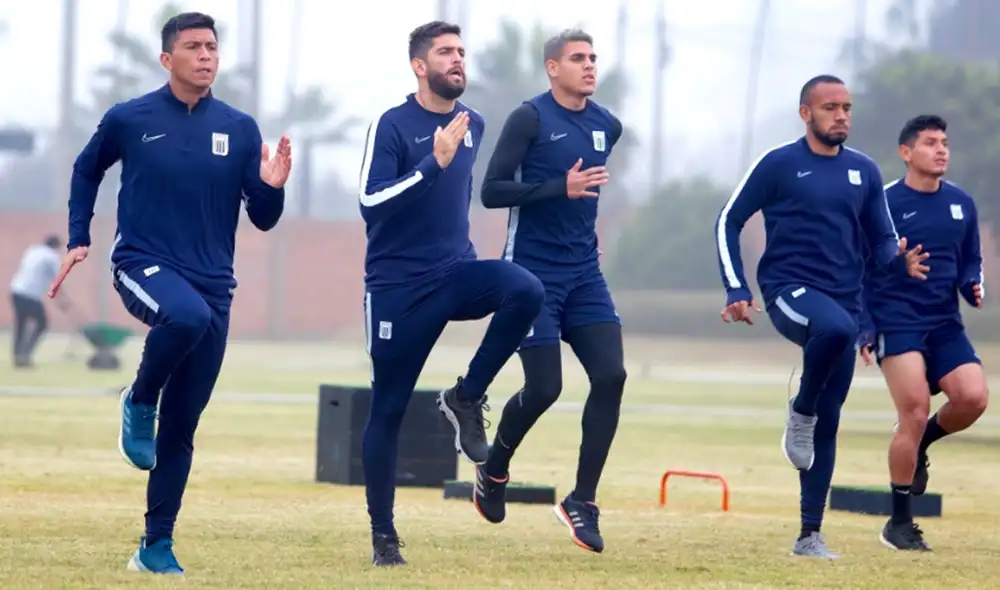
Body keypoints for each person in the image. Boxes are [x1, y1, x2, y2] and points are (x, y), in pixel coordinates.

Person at [47, 12, 291, 575]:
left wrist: (274, 188)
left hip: (214, 286)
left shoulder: (241, 127)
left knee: (181, 425)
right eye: (193, 47)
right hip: (142, 264)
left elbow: (263, 218)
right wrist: (80, 236)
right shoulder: (130, 118)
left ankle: (155, 547)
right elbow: (87, 171)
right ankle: (137, 398)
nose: (206, 55)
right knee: (185, 318)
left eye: (212, 46)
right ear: (167, 59)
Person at [714, 74, 929, 558]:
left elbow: (879, 240)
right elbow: (728, 218)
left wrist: (898, 259)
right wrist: (736, 286)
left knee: (830, 417)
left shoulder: (865, 171)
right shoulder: (779, 164)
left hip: (845, 300)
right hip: (789, 292)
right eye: (830, 107)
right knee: (834, 332)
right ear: (806, 113)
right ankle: (800, 409)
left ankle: (809, 534)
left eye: (847, 108)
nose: (842, 116)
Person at [358, 21, 544, 567]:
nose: (457, 60)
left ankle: (465, 396)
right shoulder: (392, 125)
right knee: (387, 409)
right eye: (445, 52)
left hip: (455, 275)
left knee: (525, 289)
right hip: (397, 290)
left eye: (462, 51)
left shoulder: (475, 124)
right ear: (420, 66)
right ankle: (384, 538)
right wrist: (430, 164)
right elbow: (371, 204)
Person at [476, 29, 625, 554]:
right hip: (532, 276)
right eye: (577, 59)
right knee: (545, 388)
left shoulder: (608, 124)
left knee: (612, 375)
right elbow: (491, 191)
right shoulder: (529, 118)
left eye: (593, 58)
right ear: (552, 68)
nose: (589, 66)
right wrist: (557, 188)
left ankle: (582, 500)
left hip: (585, 274)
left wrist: (583, 226)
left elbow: (588, 200)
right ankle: (494, 470)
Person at [858, 114, 988, 552]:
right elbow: (860, 267)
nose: (941, 149)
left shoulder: (961, 204)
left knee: (973, 399)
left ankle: (922, 443)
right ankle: (899, 524)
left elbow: (971, 258)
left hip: (945, 323)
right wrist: (865, 326)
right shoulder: (884, 203)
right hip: (897, 321)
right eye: (930, 142)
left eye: (945, 142)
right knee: (913, 409)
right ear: (906, 152)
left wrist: (973, 283)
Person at [9, 235, 65, 367]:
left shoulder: (32, 250)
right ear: (55, 246)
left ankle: (18, 356)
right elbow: (56, 280)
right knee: (42, 323)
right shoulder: (51, 257)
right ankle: (25, 355)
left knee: (20, 324)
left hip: (16, 290)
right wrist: (62, 300)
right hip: (31, 294)